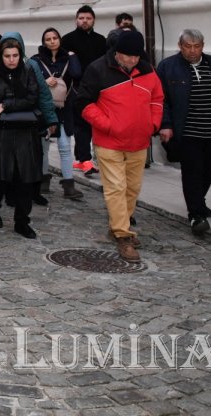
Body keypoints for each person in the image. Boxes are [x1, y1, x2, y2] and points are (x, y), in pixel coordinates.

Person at [72, 31, 163, 262]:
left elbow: (157, 98)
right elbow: (83, 102)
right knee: (116, 187)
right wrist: (108, 125)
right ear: (117, 52)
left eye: (136, 56)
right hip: (109, 141)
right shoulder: (98, 69)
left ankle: (117, 226)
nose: (132, 60)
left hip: (139, 141)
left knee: (132, 188)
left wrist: (153, 123)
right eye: (127, 56)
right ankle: (124, 236)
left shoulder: (148, 70)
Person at [156, 29, 211, 235]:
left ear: (203, 46)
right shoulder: (167, 67)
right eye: (188, 46)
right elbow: (162, 100)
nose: (192, 51)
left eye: (196, 46)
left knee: (209, 169)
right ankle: (196, 215)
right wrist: (166, 124)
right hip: (188, 132)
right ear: (180, 46)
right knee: (192, 171)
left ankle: (198, 201)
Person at [0, 38, 44, 239]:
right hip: (2, 133)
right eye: (7, 56)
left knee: (25, 178)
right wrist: (1, 104)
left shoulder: (28, 71)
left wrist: (8, 105)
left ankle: (22, 220)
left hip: (26, 131)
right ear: (1, 56)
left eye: (15, 56)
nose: (11, 60)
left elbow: (32, 98)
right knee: (2, 176)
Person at [34, 28, 84, 200]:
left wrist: (71, 56)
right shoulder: (38, 59)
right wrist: (44, 80)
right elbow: (30, 79)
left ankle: (69, 184)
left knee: (64, 146)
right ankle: (43, 181)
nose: (52, 41)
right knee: (44, 146)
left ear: (59, 39)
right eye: (48, 39)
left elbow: (77, 73)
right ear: (44, 41)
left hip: (64, 108)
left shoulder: (67, 57)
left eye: (55, 38)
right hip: (45, 108)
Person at [63, 6, 108, 173]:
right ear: (76, 20)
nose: (84, 21)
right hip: (77, 88)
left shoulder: (101, 40)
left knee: (96, 123)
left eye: (88, 18)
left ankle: (87, 158)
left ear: (93, 20)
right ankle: (85, 159)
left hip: (99, 88)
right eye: (81, 18)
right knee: (81, 125)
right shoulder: (67, 40)